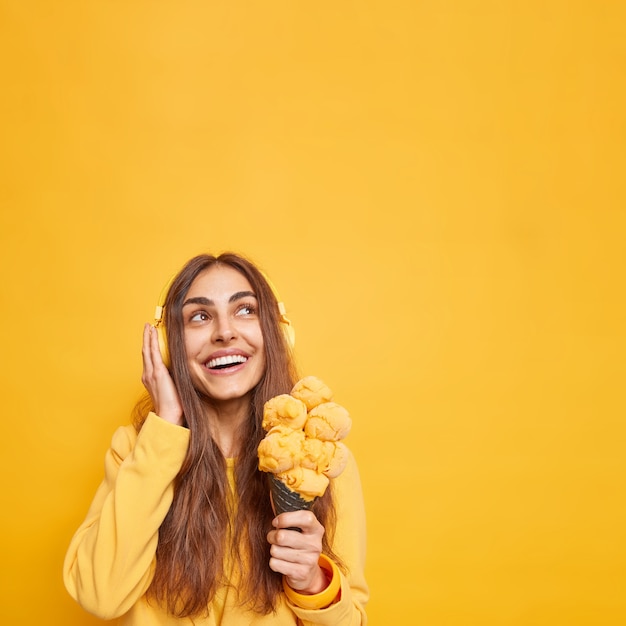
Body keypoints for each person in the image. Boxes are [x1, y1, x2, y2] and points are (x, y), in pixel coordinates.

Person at [63, 252, 368, 625]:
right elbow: (100, 596)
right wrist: (166, 426)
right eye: (200, 316)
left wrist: (312, 581)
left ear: (277, 333)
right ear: (167, 345)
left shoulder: (322, 460)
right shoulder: (136, 448)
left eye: (245, 310)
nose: (224, 332)